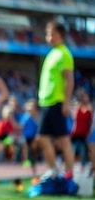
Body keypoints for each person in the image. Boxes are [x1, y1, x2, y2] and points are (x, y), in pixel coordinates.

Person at [37, 21, 75, 180]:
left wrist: (67, 102)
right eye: (47, 33)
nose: (49, 36)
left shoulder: (64, 54)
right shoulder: (52, 53)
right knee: (42, 138)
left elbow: (69, 80)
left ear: (60, 34)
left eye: (52, 33)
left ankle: (69, 175)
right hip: (46, 103)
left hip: (57, 102)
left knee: (63, 140)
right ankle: (54, 170)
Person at [70, 89, 92, 171]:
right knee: (73, 151)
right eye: (85, 97)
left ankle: (84, 168)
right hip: (76, 134)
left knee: (83, 152)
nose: (87, 98)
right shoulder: (77, 107)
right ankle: (70, 167)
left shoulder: (89, 109)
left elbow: (90, 121)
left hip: (84, 134)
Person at [19, 99, 39, 175]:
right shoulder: (25, 117)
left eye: (32, 107)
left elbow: (38, 127)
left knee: (34, 149)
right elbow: (21, 126)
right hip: (26, 137)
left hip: (33, 137)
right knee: (24, 146)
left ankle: (34, 163)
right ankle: (25, 160)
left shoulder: (36, 117)